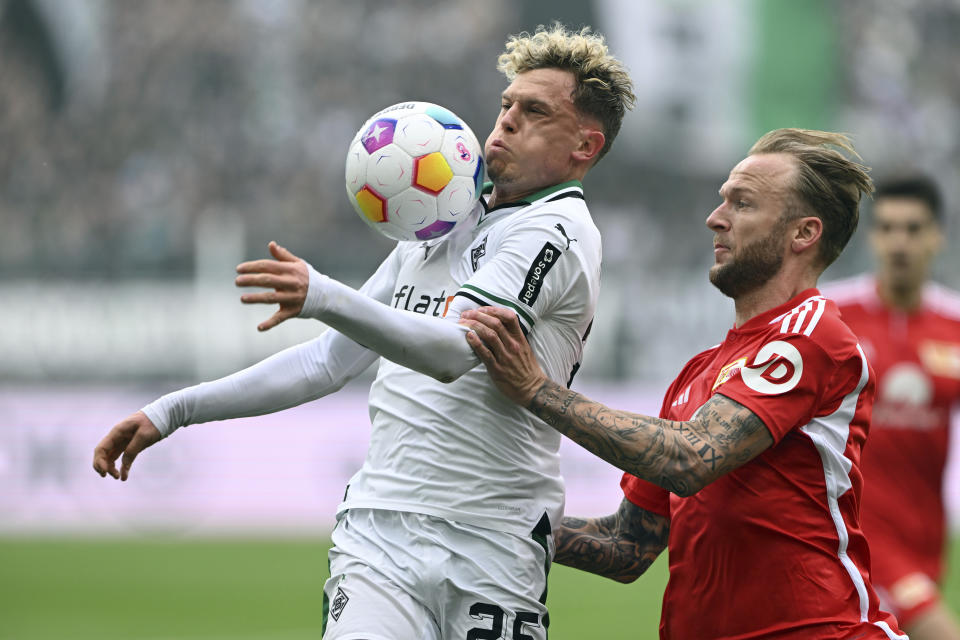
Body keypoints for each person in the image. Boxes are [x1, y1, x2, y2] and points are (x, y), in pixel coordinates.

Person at [92, 24, 636, 640]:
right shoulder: (441, 219)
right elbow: (326, 363)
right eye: (506, 105)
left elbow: (456, 351)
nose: (505, 122)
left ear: (584, 147)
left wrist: (324, 294)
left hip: (495, 540)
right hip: (379, 535)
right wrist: (174, 409)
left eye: (533, 111)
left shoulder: (557, 230)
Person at [460, 128, 910, 639]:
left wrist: (537, 389)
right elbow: (626, 546)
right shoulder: (701, 371)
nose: (714, 219)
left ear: (803, 234)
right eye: (723, 201)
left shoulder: (810, 335)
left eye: (742, 204)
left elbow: (690, 457)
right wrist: (489, 521)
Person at [822, 176, 960, 640]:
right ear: (874, 236)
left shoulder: (955, 324)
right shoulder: (831, 313)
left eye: (913, 229)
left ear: (937, 235)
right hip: (850, 537)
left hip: (924, 544)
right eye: (888, 228)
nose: (900, 242)